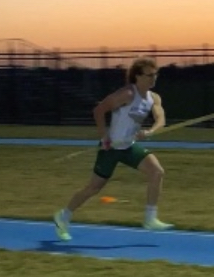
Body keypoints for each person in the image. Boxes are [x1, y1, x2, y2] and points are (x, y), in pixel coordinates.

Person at [54, 57, 172, 241]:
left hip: (128, 146)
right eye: (149, 75)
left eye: (155, 74)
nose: (153, 78)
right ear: (138, 76)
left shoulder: (153, 98)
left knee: (157, 172)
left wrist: (150, 131)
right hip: (111, 147)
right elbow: (99, 110)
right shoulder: (127, 94)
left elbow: (161, 120)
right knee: (93, 188)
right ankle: (64, 216)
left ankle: (150, 218)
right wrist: (104, 136)